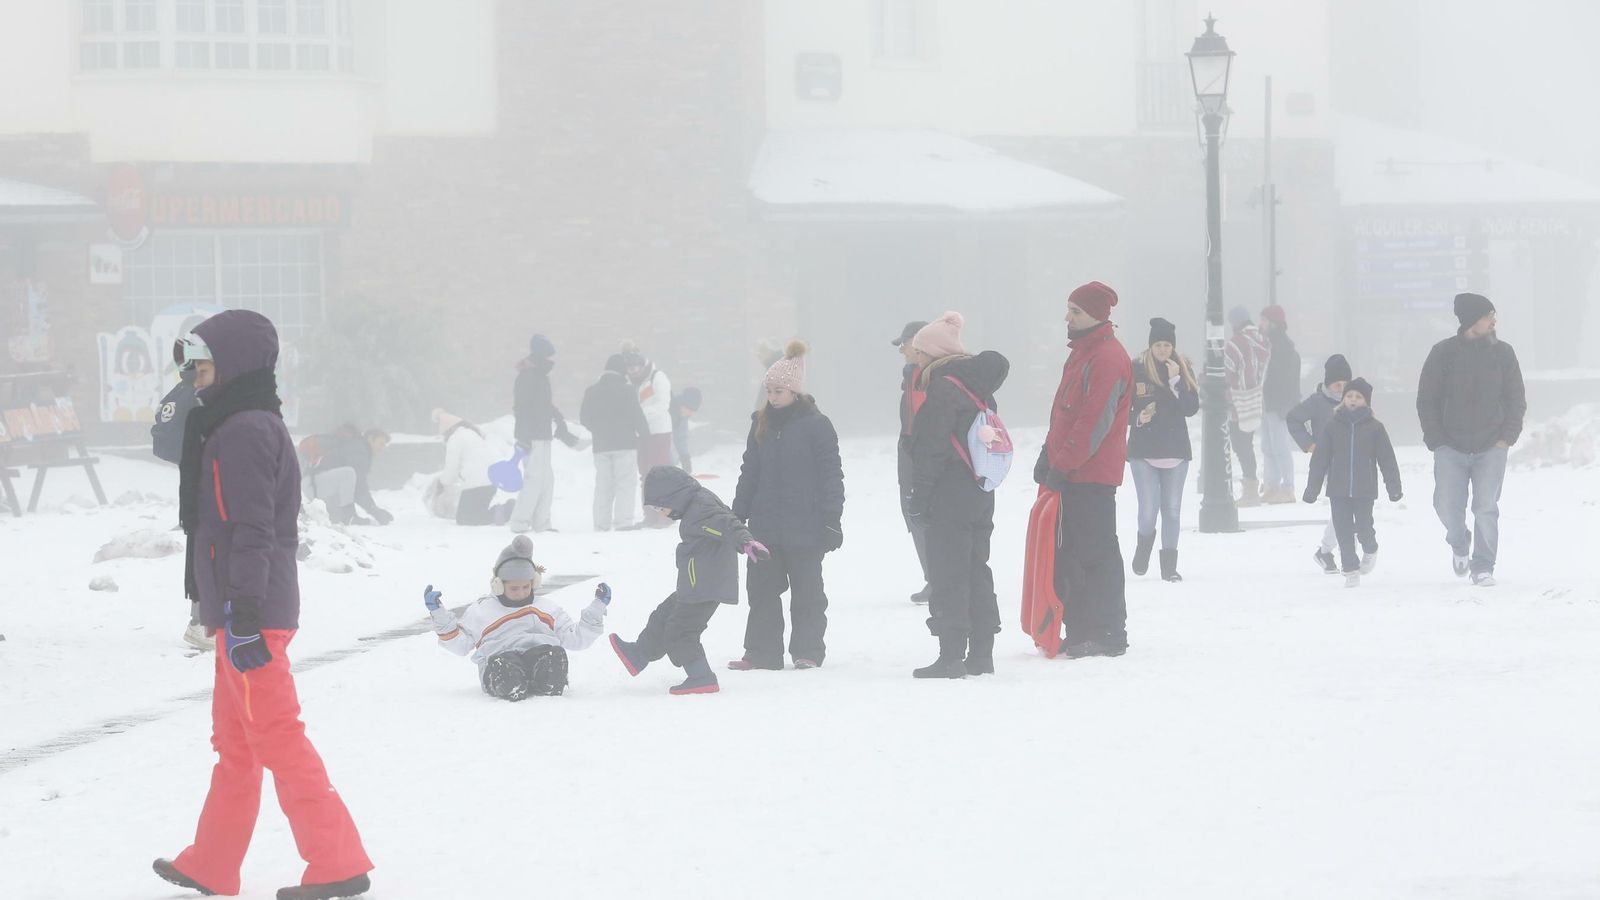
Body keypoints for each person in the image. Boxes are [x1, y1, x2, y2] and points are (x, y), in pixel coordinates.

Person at [154, 309, 372, 900]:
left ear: (230, 364)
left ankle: (337, 862)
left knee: (276, 736)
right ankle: (213, 864)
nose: (191, 377)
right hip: (239, 610)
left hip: (251, 613)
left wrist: (242, 612)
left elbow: (249, 527)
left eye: (198, 365)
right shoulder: (235, 422)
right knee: (236, 745)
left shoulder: (244, 430)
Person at [906, 312, 1010, 678]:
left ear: (933, 353)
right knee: (976, 569)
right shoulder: (978, 389)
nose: (915, 359)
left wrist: (919, 495)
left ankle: (950, 655)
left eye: (918, 352)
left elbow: (932, 447)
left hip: (949, 494)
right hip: (980, 489)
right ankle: (982, 653)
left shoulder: (943, 389)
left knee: (949, 572)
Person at [729, 340, 844, 671]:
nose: (773, 396)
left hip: (805, 526)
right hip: (765, 525)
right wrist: (737, 516)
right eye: (769, 390)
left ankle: (807, 650)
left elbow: (831, 475)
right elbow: (749, 471)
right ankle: (762, 652)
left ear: (795, 391)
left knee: (808, 593)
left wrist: (831, 520)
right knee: (762, 591)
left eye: (779, 390)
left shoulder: (816, 425)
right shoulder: (760, 423)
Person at [608, 466, 769, 695]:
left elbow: (727, 524)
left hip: (705, 585)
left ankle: (701, 676)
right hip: (697, 583)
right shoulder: (695, 503)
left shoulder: (701, 509)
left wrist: (746, 542)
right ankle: (640, 654)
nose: (660, 512)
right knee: (665, 614)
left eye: (659, 506)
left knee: (681, 631)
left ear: (672, 496)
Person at [1036, 282, 1133, 659]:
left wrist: (1063, 462)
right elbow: (1065, 412)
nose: (1067, 317)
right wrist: (1049, 454)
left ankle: (1108, 632)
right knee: (1071, 554)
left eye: (1075, 311)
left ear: (1094, 315)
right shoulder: (1083, 353)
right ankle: (1079, 629)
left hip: (1091, 475)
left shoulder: (1107, 357)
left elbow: (1094, 421)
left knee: (1096, 554)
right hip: (1074, 472)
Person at [1417, 293, 1526, 587]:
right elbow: (1427, 399)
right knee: (1446, 504)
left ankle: (1483, 565)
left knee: (1485, 506)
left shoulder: (1504, 353)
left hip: (1492, 445)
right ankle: (1458, 541)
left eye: (1493, 315)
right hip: (1449, 445)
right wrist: (1436, 439)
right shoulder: (1442, 353)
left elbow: (1516, 398)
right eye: (1487, 315)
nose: (1493, 321)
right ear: (1470, 320)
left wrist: (1507, 436)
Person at [422, 536, 612, 699]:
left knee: (555, 655)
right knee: (503, 665)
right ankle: (511, 684)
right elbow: (460, 644)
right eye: (514, 588)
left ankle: (546, 682)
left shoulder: (546, 608)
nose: (521, 593)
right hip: (500, 659)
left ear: (534, 583)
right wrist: (438, 614)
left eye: (526, 587)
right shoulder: (482, 611)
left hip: (539, 656)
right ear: (498, 584)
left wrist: (596, 609)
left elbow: (575, 638)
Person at [1303, 378, 1402, 588]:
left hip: (1364, 489)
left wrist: (1393, 487)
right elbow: (1320, 459)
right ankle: (1350, 569)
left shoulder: (1375, 428)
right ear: (1343, 400)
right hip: (1337, 490)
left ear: (1366, 401)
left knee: (1364, 527)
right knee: (1343, 530)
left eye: (1358, 397)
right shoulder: (1332, 426)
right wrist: (1312, 489)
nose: (1353, 400)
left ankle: (1371, 548)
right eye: (1349, 396)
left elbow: (1387, 459)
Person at [1127, 317, 1199, 582]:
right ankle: (1143, 547)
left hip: (1175, 450)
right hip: (1144, 449)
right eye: (1158, 344)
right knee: (1148, 509)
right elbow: (1120, 407)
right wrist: (1137, 417)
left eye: (1167, 345)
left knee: (1172, 510)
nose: (1162, 350)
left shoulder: (1181, 368)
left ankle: (1169, 566)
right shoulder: (1136, 369)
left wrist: (1175, 381)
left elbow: (1191, 408)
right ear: (1150, 346)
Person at [153, 338, 209, 651]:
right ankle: (201, 621)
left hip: (192, 480)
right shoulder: (198, 397)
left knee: (202, 546)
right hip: (204, 481)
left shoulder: (177, 394)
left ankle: (203, 619)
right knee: (207, 548)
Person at [1288, 354, 1352, 574]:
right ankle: (1337, 553)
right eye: (1337, 383)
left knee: (1348, 507)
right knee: (1343, 506)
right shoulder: (1317, 402)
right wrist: (1309, 444)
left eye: (1345, 384)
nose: (1340, 388)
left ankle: (1326, 551)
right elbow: (1293, 419)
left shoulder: (1353, 400)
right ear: (1328, 382)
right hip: (1328, 464)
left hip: (1353, 463)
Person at [510, 334, 579, 533]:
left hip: (543, 434)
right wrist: (523, 437)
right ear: (539, 356)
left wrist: (558, 419)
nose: (551, 362)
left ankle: (541, 522)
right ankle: (519, 522)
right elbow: (521, 408)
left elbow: (544, 405)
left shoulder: (539, 377)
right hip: (531, 436)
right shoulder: (527, 377)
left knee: (546, 480)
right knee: (533, 479)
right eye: (548, 357)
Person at [580, 353, 651, 531]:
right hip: (625, 444)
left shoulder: (591, 391)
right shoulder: (627, 390)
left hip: (601, 446)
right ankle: (623, 522)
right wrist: (645, 436)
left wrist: (597, 431)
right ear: (621, 371)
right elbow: (637, 416)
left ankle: (601, 523)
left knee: (603, 484)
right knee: (625, 483)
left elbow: (584, 418)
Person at [893, 319, 931, 604]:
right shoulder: (912, 376)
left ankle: (937, 578)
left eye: (903, 344)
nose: (901, 350)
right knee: (914, 516)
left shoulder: (925, 377)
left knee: (921, 516)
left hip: (920, 458)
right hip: (911, 455)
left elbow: (922, 422)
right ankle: (933, 577)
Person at [1224, 305, 1272, 507]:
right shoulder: (1263, 341)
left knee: (1240, 445)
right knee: (1247, 445)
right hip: (1256, 400)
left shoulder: (1235, 343)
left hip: (1238, 401)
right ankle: (1251, 487)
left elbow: (1226, 372)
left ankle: (1250, 490)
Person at [622, 344, 675, 528]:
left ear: (643, 363)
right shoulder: (629, 382)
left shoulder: (657, 377)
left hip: (659, 431)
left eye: (636, 367)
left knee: (658, 474)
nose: (633, 371)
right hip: (641, 433)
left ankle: (665, 516)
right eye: (629, 368)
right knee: (644, 474)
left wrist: (639, 415)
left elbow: (663, 404)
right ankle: (650, 515)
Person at [300, 425, 393, 526]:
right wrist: (374, 510)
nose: (382, 448)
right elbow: (359, 484)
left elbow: (354, 487)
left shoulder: (358, 447)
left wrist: (374, 509)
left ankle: (305, 511)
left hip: (315, 484)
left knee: (336, 518)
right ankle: (350, 516)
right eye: (381, 443)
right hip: (315, 483)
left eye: (384, 445)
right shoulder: (359, 449)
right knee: (349, 473)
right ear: (370, 438)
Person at [423, 409, 499, 526]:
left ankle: (508, 509)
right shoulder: (471, 434)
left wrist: (441, 483)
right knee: (476, 515)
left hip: (477, 485)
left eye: (444, 434)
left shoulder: (455, 439)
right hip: (490, 483)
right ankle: (503, 511)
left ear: (449, 430)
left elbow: (451, 471)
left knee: (465, 519)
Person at [1258, 304, 1301, 504]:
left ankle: (1287, 486)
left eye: (1265, 320)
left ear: (1274, 323)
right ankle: (1272, 485)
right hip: (1267, 404)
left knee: (1280, 446)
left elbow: (1286, 380)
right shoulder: (1268, 345)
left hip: (1277, 405)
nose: (1261, 324)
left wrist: (1286, 405)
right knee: (1267, 446)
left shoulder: (1283, 347)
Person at [670, 386, 702, 474]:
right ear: (684, 404)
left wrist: (685, 458)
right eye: (690, 409)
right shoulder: (668, 410)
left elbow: (681, 438)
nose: (691, 413)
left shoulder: (683, 416)